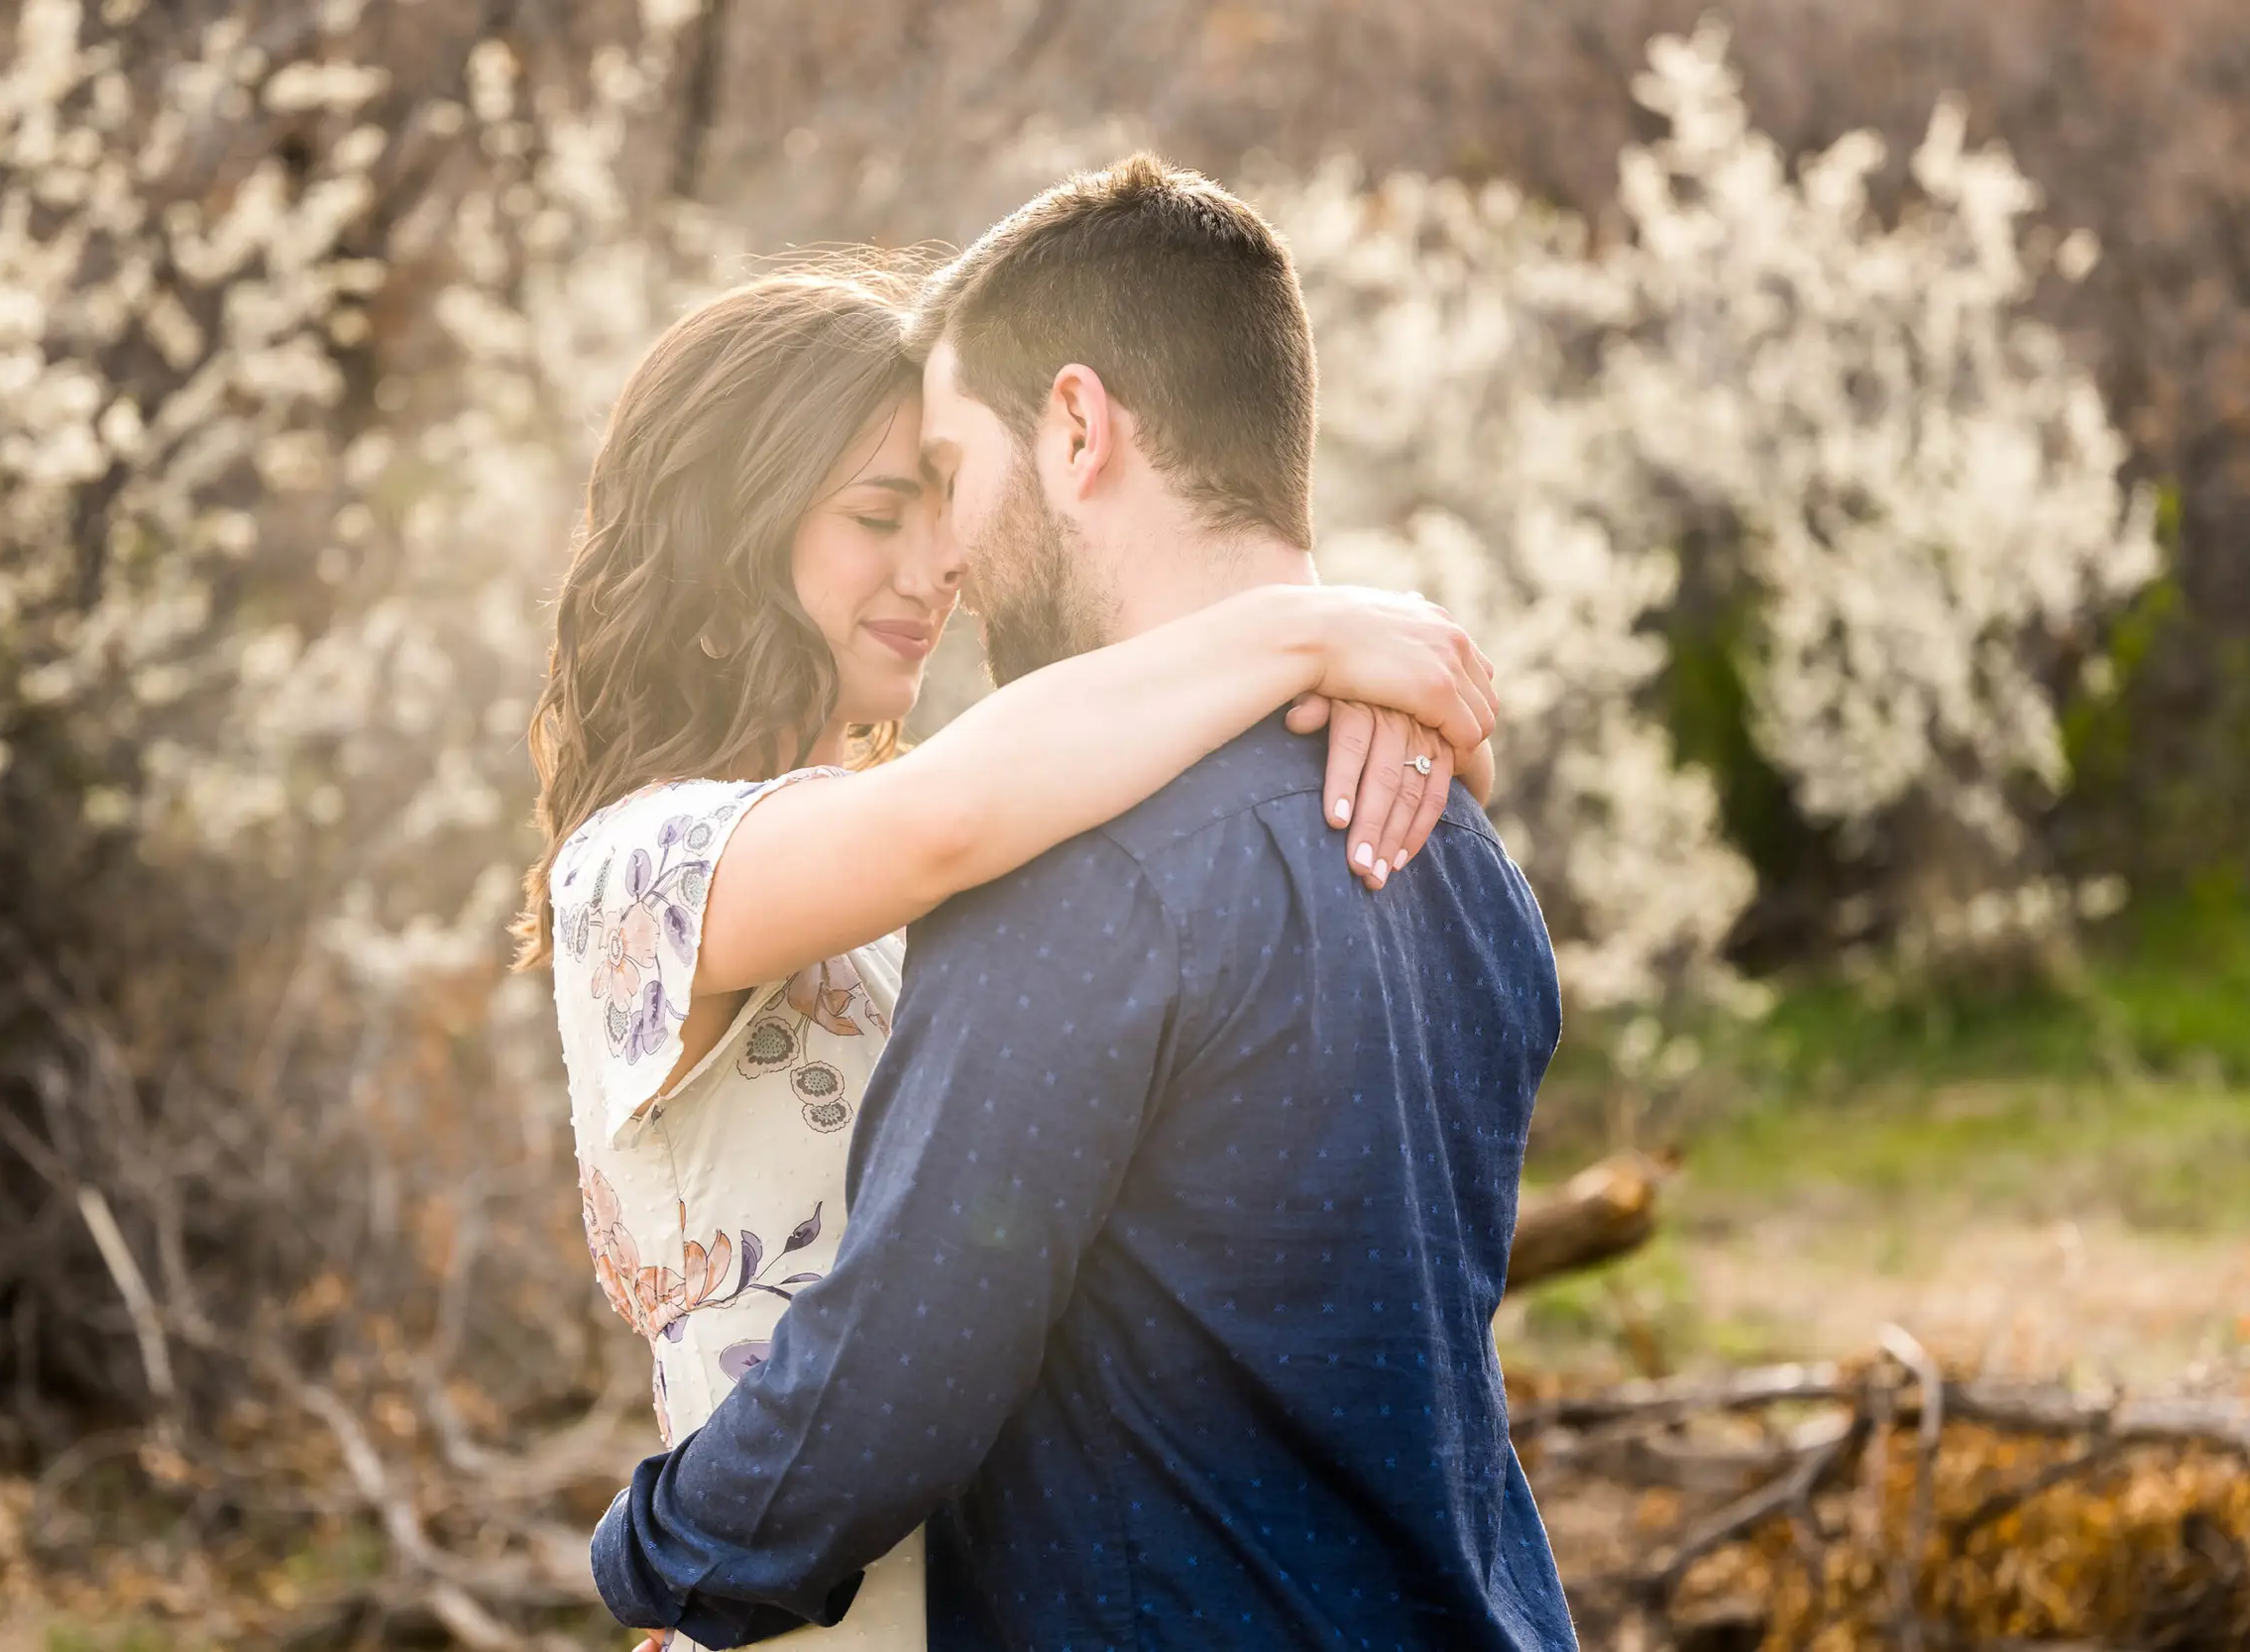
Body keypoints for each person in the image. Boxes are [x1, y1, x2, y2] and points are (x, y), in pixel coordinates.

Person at [588, 160, 1578, 1650]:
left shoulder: (1072, 876)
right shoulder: (1452, 840)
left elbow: (898, 1373)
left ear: (1073, 425)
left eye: (950, 481)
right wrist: (1329, 634)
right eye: (886, 511)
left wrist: (653, 1557)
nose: (949, 563)